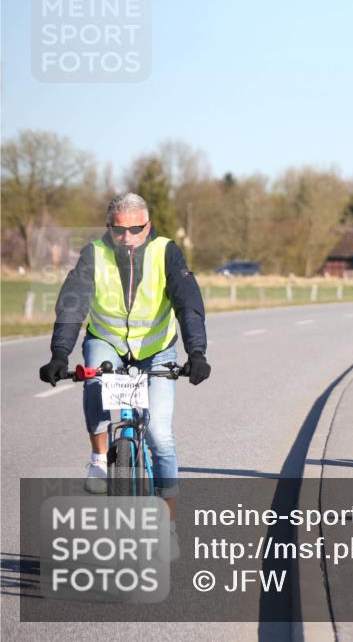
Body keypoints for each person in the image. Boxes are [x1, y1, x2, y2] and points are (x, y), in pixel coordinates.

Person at [38, 193, 210, 553]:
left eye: (136, 229)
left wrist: (196, 351)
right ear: (109, 228)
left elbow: (188, 302)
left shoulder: (166, 252)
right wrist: (58, 353)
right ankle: (100, 459)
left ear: (147, 226)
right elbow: (73, 301)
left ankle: (168, 524)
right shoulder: (94, 254)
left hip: (156, 349)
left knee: (160, 436)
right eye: (120, 230)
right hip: (108, 342)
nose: (128, 236)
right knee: (93, 379)